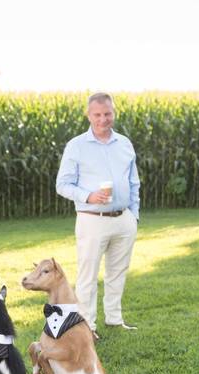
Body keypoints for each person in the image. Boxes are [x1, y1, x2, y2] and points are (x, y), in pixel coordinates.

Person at [56, 92, 141, 339]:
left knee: (118, 272)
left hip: (123, 219)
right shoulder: (76, 146)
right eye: (98, 115)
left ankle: (114, 319)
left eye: (108, 114)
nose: (103, 119)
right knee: (87, 276)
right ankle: (88, 326)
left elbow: (134, 182)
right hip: (92, 220)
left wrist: (133, 216)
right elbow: (62, 185)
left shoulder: (124, 143)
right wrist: (88, 196)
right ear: (88, 115)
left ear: (114, 113)